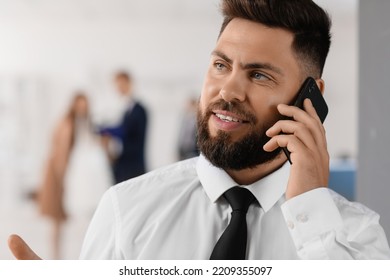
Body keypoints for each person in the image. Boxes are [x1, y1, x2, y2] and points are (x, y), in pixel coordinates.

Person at [9, 0, 390, 260]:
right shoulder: (127, 210)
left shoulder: (357, 236)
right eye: (221, 66)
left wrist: (312, 213)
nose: (227, 91)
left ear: (311, 97)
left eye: (258, 74)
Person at [37, 92, 112, 259]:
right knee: (56, 220)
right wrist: (62, 175)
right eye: (79, 105)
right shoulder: (66, 123)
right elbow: (60, 150)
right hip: (58, 175)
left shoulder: (89, 124)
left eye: (85, 105)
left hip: (72, 175)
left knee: (72, 219)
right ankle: (55, 258)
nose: (82, 108)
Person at [99, 71, 148, 183]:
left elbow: (125, 131)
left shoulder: (139, 109)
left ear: (129, 83)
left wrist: (104, 130)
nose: (119, 88)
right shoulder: (124, 109)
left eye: (121, 84)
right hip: (122, 166)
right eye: (117, 85)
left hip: (133, 168)